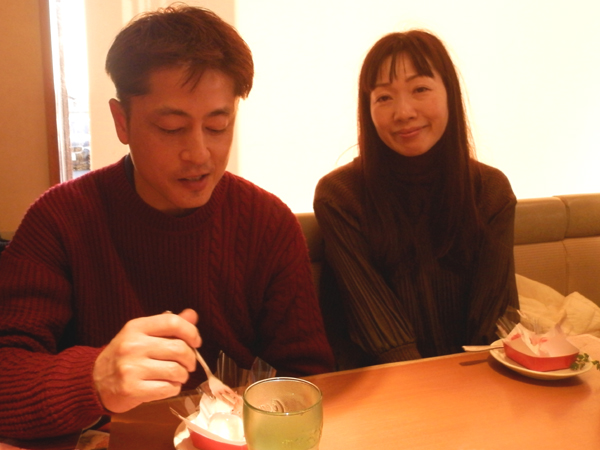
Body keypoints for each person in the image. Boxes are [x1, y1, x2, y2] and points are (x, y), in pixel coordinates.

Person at [0, 5, 333, 440]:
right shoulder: (60, 220)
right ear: (122, 121)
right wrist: (96, 379)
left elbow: (308, 378)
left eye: (218, 126)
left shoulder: (267, 223)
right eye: (172, 127)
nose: (199, 154)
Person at [314, 30, 518, 368]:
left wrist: (478, 388)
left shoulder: (490, 191)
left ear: (450, 94)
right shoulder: (340, 196)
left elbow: (492, 325)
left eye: (420, 89)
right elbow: (381, 333)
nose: (404, 112)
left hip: (475, 380)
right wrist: (432, 392)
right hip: (382, 383)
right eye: (384, 97)